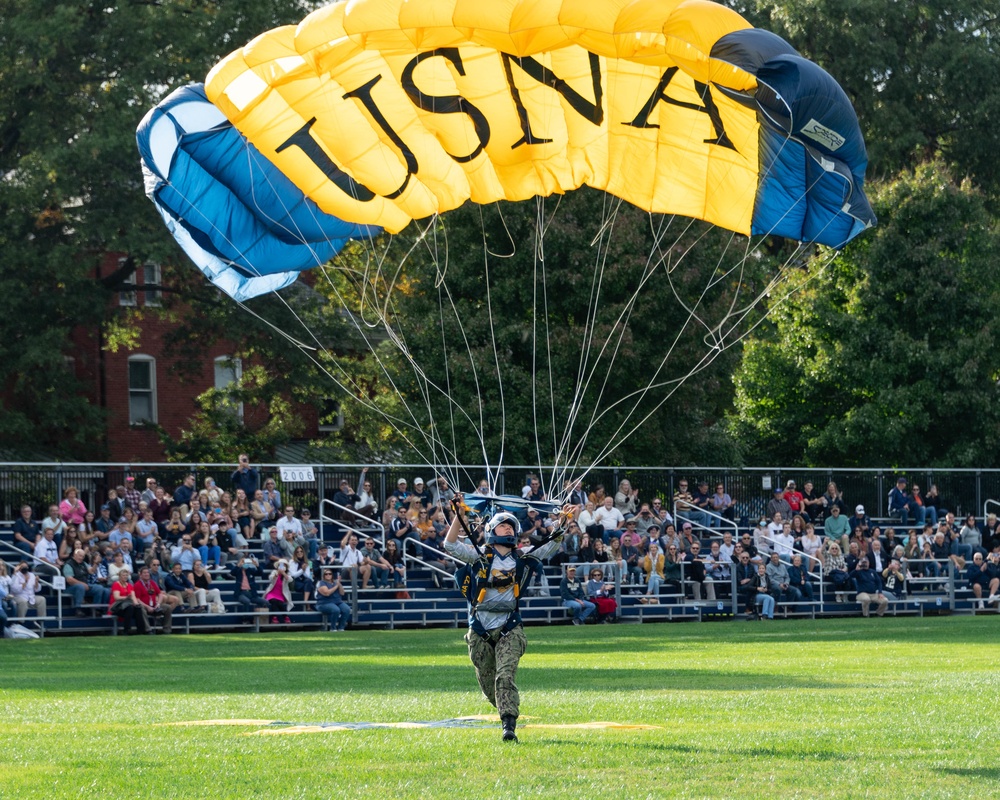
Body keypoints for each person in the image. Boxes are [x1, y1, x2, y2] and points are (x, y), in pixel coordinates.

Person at [444, 496, 571, 743]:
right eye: (503, 525)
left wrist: (563, 523)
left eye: (512, 525)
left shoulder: (523, 558)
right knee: (488, 681)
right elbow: (450, 546)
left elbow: (551, 544)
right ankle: (503, 707)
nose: (508, 528)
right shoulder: (479, 556)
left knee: (505, 676)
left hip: (509, 626)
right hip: (479, 627)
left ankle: (508, 725)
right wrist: (458, 517)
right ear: (492, 530)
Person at [62, 548, 111, 614]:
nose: (81, 558)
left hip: (85, 585)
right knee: (80, 587)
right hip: (70, 587)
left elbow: (92, 571)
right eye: (80, 556)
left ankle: (96, 608)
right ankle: (78, 609)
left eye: (83, 556)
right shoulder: (68, 564)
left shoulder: (83, 563)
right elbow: (69, 580)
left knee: (99, 588)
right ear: (75, 555)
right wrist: (82, 584)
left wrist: (96, 563)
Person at [134, 565, 179, 634]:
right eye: (144, 573)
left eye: (147, 573)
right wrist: (148, 607)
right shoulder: (137, 585)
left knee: (168, 607)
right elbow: (137, 599)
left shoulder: (152, 583)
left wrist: (158, 604)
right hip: (145, 607)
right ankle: (148, 630)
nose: (146, 574)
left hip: (155, 606)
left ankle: (167, 630)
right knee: (141, 608)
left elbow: (160, 594)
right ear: (140, 575)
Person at [108, 568, 149, 634]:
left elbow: (133, 597)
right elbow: (116, 597)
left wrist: (136, 604)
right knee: (130, 608)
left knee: (138, 608)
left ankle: (141, 631)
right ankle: (126, 630)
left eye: (126, 575)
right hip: (117, 606)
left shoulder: (129, 585)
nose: (125, 577)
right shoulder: (116, 584)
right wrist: (126, 597)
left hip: (127, 605)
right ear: (120, 577)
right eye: (123, 575)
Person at [265, 559, 294, 624]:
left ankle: (285, 617)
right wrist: (277, 574)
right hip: (272, 592)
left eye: (284, 565)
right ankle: (274, 617)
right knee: (274, 601)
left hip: (281, 594)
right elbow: (270, 578)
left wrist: (283, 573)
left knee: (280, 603)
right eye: (281, 565)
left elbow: (290, 580)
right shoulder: (274, 572)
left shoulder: (287, 574)